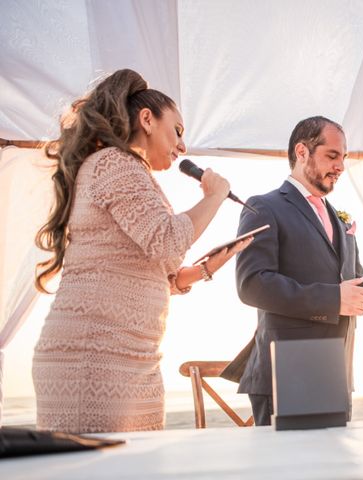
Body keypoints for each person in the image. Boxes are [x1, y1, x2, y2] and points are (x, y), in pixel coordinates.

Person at [32, 69, 251, 433]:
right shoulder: (115, 165)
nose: (182, 146)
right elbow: (166, 239)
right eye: (178, 131)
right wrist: (214, 196)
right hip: (93, 356)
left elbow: (146, 270)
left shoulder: (127, 172)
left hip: (133, 357)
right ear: (147, 119)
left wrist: (205, 269)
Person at [229, 116, 363, 426]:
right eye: (332, 155)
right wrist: (333, 300)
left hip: (336, 372)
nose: (341, 166)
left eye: (343, 157)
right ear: (302, 152)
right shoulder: (263, 207)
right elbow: (251, 284)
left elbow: (350, 290)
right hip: (287, 370)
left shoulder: (341, 221)